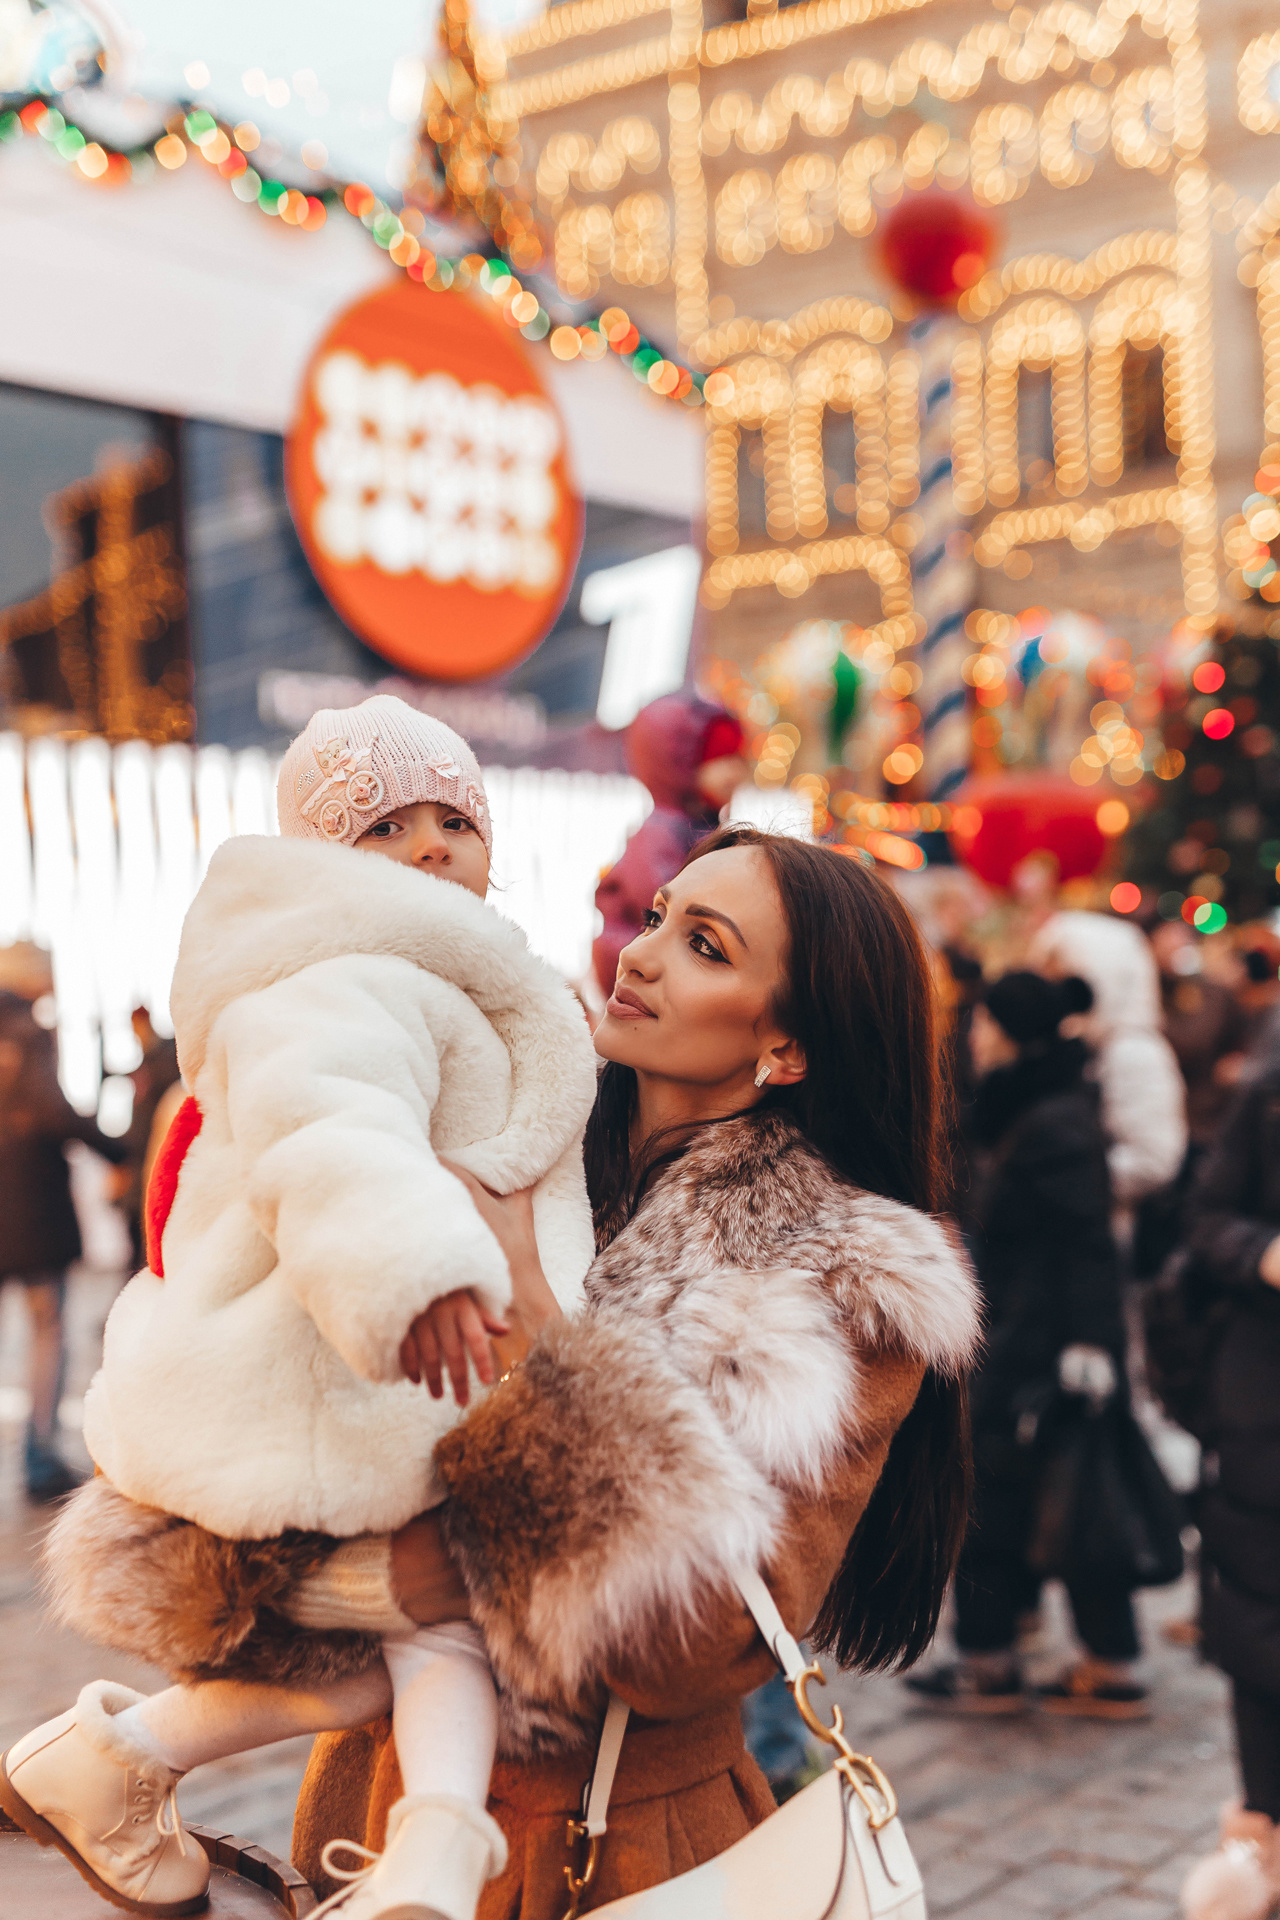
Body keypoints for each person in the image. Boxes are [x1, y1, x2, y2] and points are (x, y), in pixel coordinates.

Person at [14, 828, 979, 1920]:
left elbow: (698, 1650)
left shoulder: (839, 1283)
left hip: (614, 1845)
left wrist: (540, 1336)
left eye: (705, 946)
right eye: (657, 916)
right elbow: (265, 1447)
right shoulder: (473, 1125)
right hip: (377, 1812)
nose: (641, 953)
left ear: (787, 1046)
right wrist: (379, 1581)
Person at [4, 696, 599, 1920]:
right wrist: (418, 1263)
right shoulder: (341, 974)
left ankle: (119, 1760)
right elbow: (329, 1126)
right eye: (384, 826)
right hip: (327, 1366)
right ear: (323, 858)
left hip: (383, 1373)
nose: (429, 845)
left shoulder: (437, 971)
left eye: (455, 820)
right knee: (438, 1633)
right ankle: (431, 1856)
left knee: (397, 1653)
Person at [908, 970, 1145, 1717]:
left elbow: (1088, 1243)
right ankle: (1008, 1655)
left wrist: (1091, 1345)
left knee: (1045, 1495)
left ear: (1010, 1033)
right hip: (1019, 1330)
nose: (973, 1037)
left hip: (1038, 1342)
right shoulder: (1025, 1107)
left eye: (983, 1024)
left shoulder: (1054, 1121)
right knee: (1024, 1493)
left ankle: (1019, 1662)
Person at [1179, 1050, 1280, 1920]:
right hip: (1264, 1404)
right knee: (1256, 1622)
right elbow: (1206, 1219)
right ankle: (1262, 1828)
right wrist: (1265, 1254)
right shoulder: (1270, 1094)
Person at [0, 942, 126, 1502]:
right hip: (30, 1209)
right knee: (47, 1328)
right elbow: (53, 1111)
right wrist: (121, 1153)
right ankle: (38, 1457)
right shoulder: (28, 1031)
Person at [591, 692, 747, 999]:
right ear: (679, 762)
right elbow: (665, 906)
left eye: (739, 758)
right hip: (643, 970)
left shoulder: (705, 827)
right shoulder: (661, 835)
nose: (736, 772)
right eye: (719, 758)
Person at [1028, 909, 1187, 1211]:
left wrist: (1064, 1178)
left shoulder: (1134, 1051)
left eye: (1065, 976)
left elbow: (1154, 1160)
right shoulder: (1083, 1042)